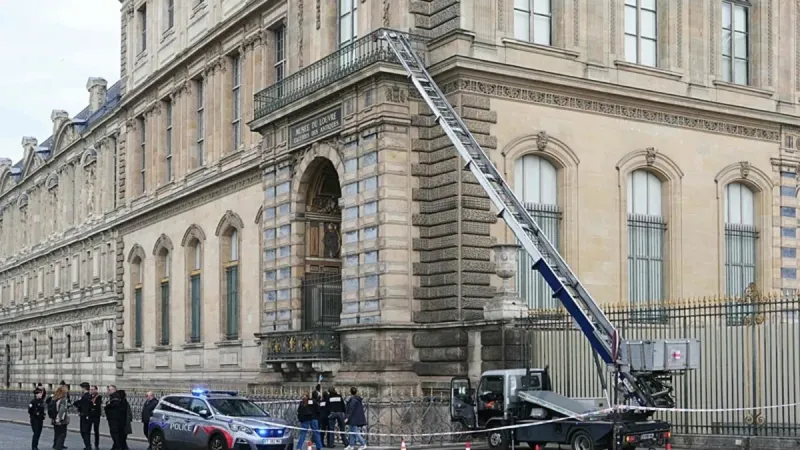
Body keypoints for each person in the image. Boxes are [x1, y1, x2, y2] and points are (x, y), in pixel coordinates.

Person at [73, 382, 93, 450]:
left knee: (84, 431)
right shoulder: (88, 396)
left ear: (84, 388)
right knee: (86, 431)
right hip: (87, 416)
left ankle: (88, 446)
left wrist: (78, 405)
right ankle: (88, 445)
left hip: (85, 416)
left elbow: (81, 405)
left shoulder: (85, 396)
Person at [105, 385, 124, 450]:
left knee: (114, 433)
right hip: (113, 418)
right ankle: (115, 446)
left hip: (114, 418)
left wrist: (107, 406)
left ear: (114, 390)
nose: (108, 391)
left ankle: (118, 447)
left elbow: (115, 405)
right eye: (108, 390)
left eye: (110, 390)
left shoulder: (115, 397)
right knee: (115, 433)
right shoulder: (113, 396)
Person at [52, 385, 71, 450]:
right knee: (62, 434)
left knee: (57, 434)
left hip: (54, 419)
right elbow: (62, 410)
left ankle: (56, 445)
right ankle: (58, 447)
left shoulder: (55, 398)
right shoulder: (63, 399)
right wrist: (59, 419)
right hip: (60, 420)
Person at [88, 386, 102, 450]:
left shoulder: (98, 397)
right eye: (91, 389)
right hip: (90, 415)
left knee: (96, 430)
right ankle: (88, 444)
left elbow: (97, 405)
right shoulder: (89, 396)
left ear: (96, 390)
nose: (91, 391)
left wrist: (93, 405)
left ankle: (96, 444)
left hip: (96, 416)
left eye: (93, 389)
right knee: (88, 430)